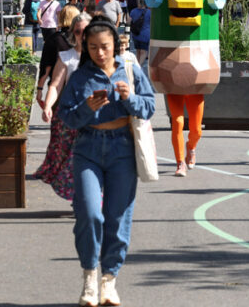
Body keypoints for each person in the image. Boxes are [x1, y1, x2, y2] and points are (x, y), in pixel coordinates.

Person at [58, 18, 156, 307]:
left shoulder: (130, 69)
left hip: (122, 149)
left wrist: (130, 99)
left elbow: (149, 107)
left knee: (117, 217)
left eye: (104, 47)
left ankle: (108, 280)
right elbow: (66, 116)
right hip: (88, 147)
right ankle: (89, 276)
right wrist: (86, 108)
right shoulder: (79, 76)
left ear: (114, 45)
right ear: (86, 48)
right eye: (93, 47)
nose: (100, 53)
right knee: (89, 214)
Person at [37, 12, 92, 200]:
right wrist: (48, 106)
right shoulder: (66, 56)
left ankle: (90, 198)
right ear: (73, 33)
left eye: (86, 32)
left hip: (94, 118)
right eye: (78, 32)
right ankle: (83, 197)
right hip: (72, 117)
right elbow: (56, 84)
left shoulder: (98, 55)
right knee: (71, 160)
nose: (82, 36)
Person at [37, 5, 81, 107]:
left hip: (57, 89)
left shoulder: (53, 39)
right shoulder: (82, 38)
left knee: (59, 120)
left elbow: (46, 66)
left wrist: (40, 89)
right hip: (80, 88)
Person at [129, 0, 151, 65]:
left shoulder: (133, 11)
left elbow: (128, 21)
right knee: (143, 52)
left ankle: (137, 66)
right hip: (145, 34)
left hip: (135, 34)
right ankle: (138, 67)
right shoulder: (149, 12)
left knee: (138, 51)